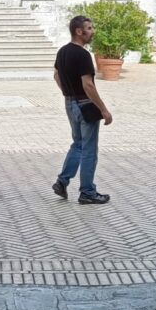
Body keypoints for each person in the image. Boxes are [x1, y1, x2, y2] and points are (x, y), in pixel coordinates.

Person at [51, 15, 113, 204]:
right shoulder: (83, 55)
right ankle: (87, 191)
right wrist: (103, 109)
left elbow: (56, 75)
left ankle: (62, 181)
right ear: (79, 31)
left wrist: (67, 94)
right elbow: (88, 85)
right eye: (89, 28)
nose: (92, 31)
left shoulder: (62, 52)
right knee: (89, 149)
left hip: (70, 103)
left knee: (77, 144)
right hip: (85, 104)